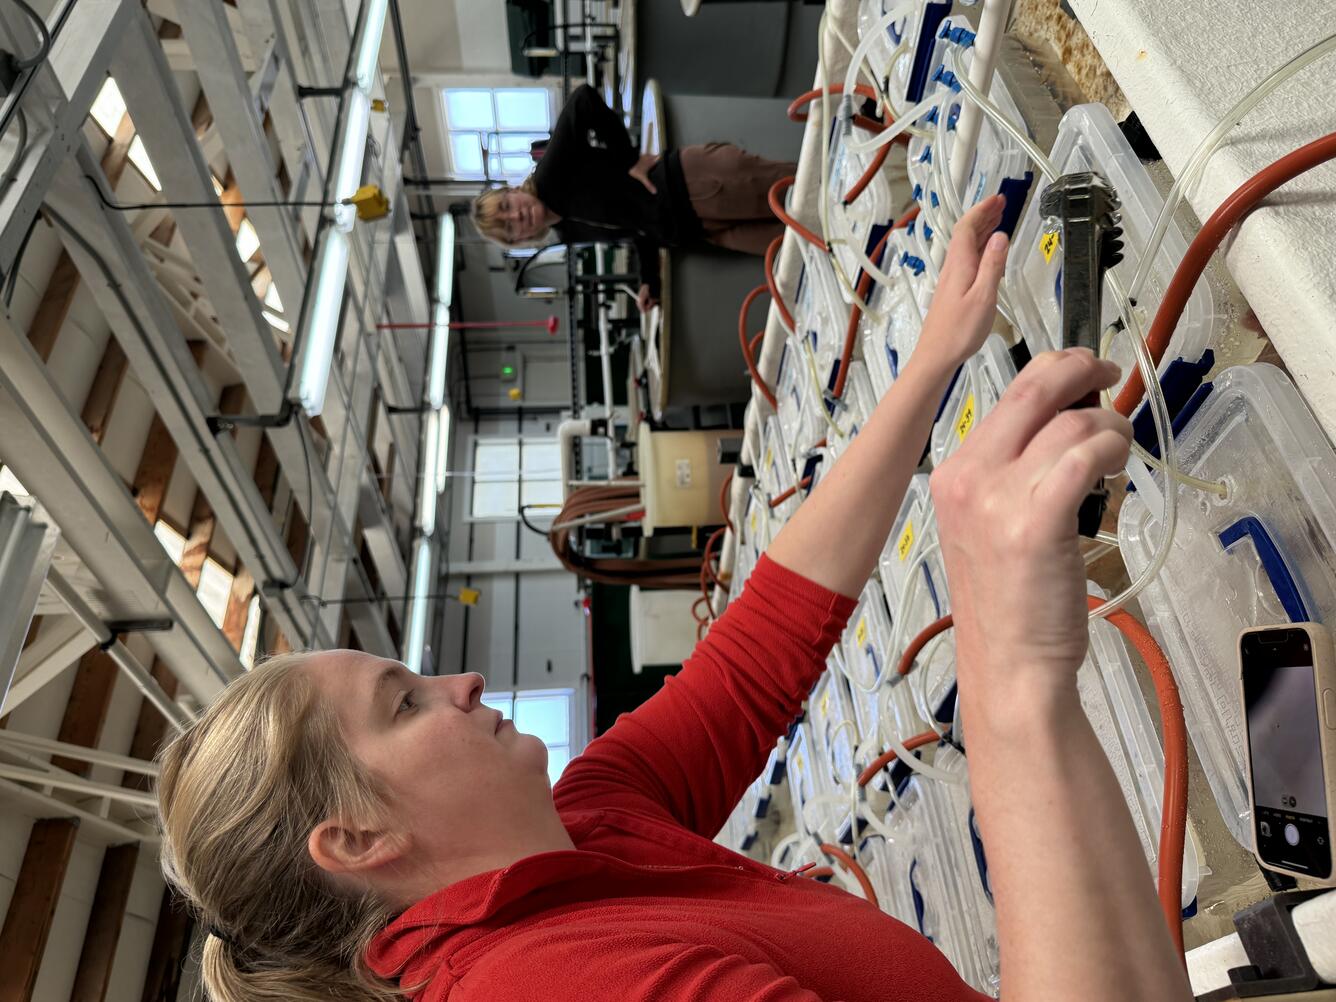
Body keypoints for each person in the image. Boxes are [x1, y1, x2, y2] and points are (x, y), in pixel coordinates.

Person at [155, 196, 1190, 1002]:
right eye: (405, 703)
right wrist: (1007, 674)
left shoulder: (583, 830)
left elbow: (761, 644)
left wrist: (928, 364)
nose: (462, 680)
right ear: (360, 842)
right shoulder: (553, 983)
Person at [471, 84, 795, 313]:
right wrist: (648, 282)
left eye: (506, 207)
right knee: (795, 245)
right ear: (522, 240)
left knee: (805, 191)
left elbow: (583, 100)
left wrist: (629, 159)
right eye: (509, 230)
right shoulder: (567, 230)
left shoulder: (550, 175)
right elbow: (637, 228)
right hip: (699, 228)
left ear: (513, 191)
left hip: (694, 184)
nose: (516, 217)